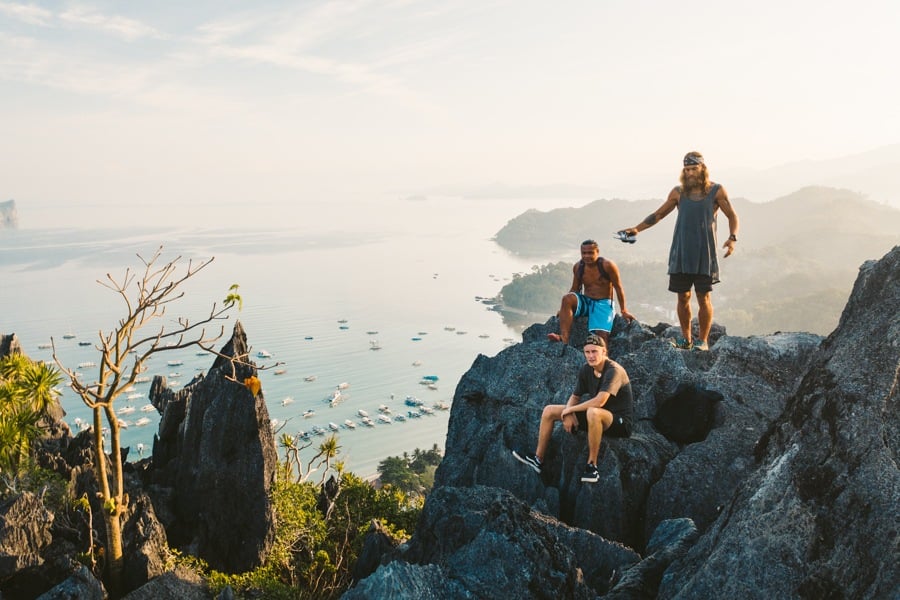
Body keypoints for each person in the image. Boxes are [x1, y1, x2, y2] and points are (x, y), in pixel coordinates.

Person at [620, 151, 739, 351]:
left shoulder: (716, 191)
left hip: (704, 254)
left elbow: (732, 216)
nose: (690, 173)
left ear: (702, 168)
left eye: (693, 168)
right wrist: (637, 229)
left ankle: (702, 341)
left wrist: (732, 238)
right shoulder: (678, 192)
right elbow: (658, 214)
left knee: (703, 297)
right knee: (682, 297)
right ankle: (686, 339)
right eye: (687, 169)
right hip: (681, 253)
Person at [513, 334, 633, 483]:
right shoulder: (586, 370)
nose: (591, 356)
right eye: (587, 352)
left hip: (619, 423)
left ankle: (592, 466)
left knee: (593, 412)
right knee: (549, 410)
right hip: (595, 418)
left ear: (604, 351)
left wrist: (570, 410)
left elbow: (600, 401)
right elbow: (575, 396)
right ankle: (538, 459)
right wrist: (567, 414)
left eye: (594, 351)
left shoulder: (614, 370)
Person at [547, 239, 635, 345]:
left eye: (590, 253)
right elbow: (575, 289)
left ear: (597, 252)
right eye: (584, 253)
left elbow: (618, 287)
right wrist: (564, 309)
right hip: (586, 301)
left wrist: (624, 311)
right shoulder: (578, 267)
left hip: (603, 303)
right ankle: (564, 338)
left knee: (601, 337)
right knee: (566, 298)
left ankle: (602, 355)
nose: (586, 256)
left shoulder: (608, 266)